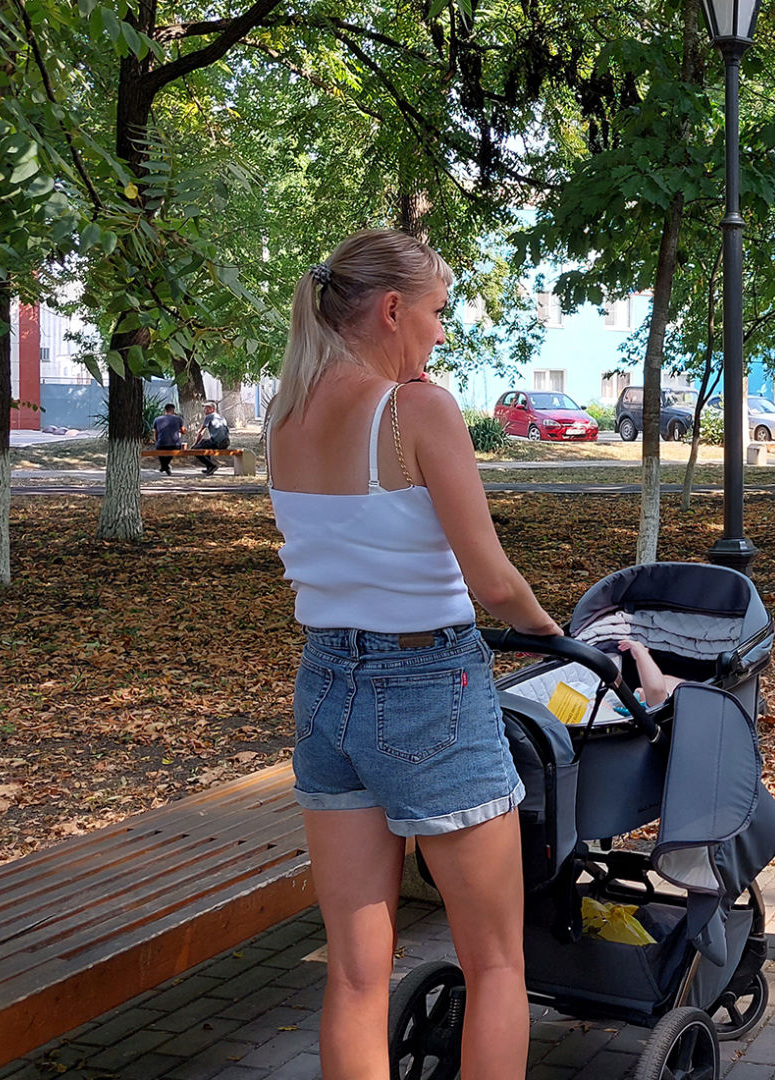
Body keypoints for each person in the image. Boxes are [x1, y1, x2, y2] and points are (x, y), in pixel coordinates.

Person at [267, 229, 562, 1080]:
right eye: (435, 313)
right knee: (497, 963)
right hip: (430, 686)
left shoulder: (286, 416)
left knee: (357, 973)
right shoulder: (416, 411)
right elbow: (493, 582)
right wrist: (552, 633)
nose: (439, 334)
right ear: (392, 309)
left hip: (326, 688)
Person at [192, 401, 233, 474]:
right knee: (204, 444)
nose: (205, 410)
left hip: (217, 443)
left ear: (213, 409)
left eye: (207, 408)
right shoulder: (221, 417)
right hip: (225, 442)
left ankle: (211, 466)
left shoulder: (209, 416)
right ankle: (209, 468)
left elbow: (201, 433)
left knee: (195, 450)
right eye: (205, 409)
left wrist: (195, 444)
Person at [152, 402, 185, 474]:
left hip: (161, 444)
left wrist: (157, 441)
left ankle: (164, 466)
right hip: (175, 444)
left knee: (159, 449)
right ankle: (165, 466)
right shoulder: (178, 419)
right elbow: (183, 431)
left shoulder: (157, 419)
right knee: (174, 449)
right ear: (173, 410)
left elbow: (156, 433)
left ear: (165, 410)